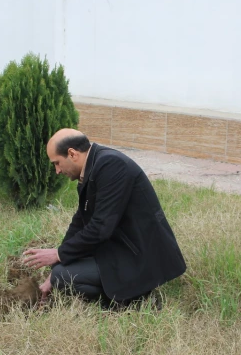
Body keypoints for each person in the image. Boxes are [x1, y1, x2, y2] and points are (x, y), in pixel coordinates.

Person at [23, 129, 185, 306]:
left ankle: (138, 299)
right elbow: (80, 223)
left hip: (140, 258)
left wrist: (59, 255)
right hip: (118, 249)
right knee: (59, 272)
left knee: (63, 277)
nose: (57, 171)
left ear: (72, 154)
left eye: (57, 163)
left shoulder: (111, 165)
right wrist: (55, 267)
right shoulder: (95, 166)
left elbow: (100, 228)